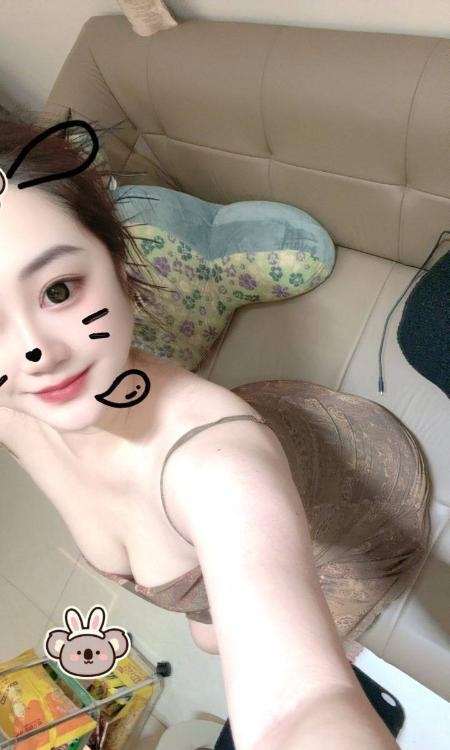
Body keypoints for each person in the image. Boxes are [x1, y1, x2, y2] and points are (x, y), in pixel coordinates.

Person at [0, 118, 401, 750]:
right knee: (210, 630)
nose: (35, 354)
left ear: (118, 266)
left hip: (337, 512)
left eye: (58, 290)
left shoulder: (217, 471)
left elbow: (297, 706)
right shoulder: (14, 408)